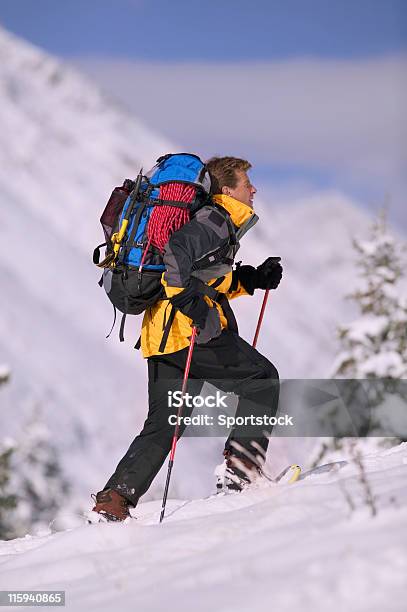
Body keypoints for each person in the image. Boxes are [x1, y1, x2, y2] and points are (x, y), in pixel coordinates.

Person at [91, 156, 283, 521]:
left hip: (161, 336)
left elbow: (207, 275)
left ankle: (113, 502)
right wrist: (195, 308)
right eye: (246, 184)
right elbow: (178, 258)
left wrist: (254, 279)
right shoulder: (214, 220)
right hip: (188, 332)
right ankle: (241, 471)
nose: (253, 189)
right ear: (228, 190)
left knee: (164, 424)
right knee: (261, 380)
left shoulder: (211, 221)